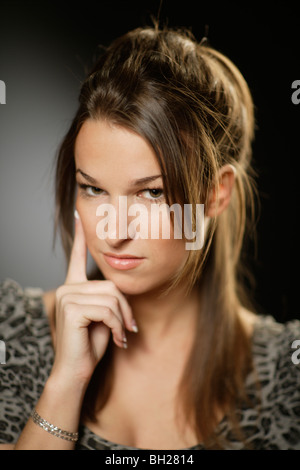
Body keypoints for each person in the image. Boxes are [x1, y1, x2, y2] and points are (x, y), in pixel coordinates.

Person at [0, 24, 299, 451]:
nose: (115, 231)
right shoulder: (8, 335)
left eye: (151, 193)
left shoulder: (290, 374)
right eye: (93, 188)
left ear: (217, 194)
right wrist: (66, 382)